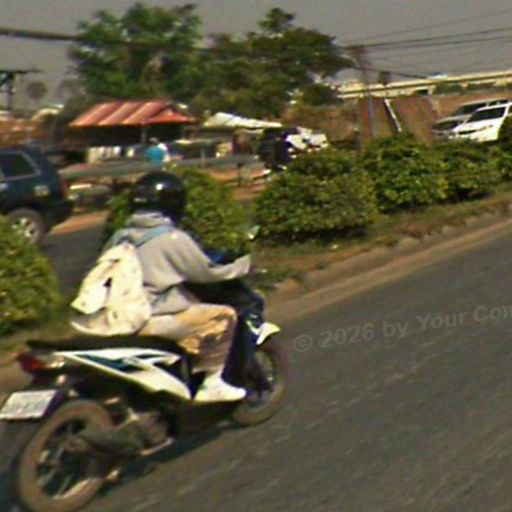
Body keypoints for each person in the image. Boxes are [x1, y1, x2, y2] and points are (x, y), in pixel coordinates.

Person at [111, 171, 250, 403]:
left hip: (115, 314)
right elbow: (207, 273)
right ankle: (212, 383)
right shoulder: (171, 238)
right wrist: (243, 265)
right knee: (223, 316)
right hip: (152, 316)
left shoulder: (120, 236)